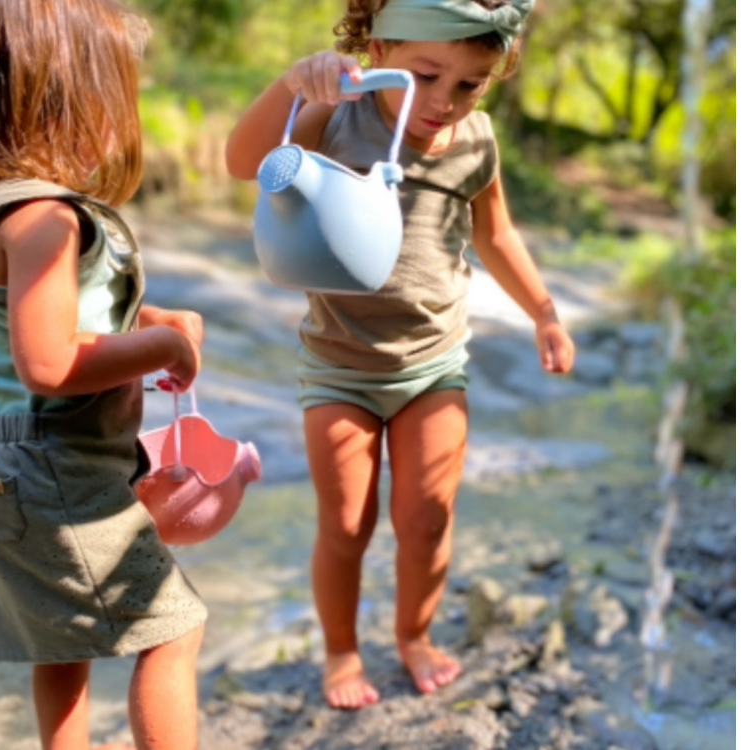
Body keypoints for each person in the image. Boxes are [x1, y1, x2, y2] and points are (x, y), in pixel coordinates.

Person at [225, 0, 575, 711]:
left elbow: (497, 237)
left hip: (434, 365)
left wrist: (544, 313)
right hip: (339, 367)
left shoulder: (476, 142)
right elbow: (241, 161)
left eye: (470, 84)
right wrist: (294, 86)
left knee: (427, 517)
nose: (445, 101)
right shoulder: (336, 116)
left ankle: (413, 636)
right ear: (381, 48)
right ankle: (341, 650)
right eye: (427, 74)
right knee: (347, 524)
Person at [0, 1, 208, 747]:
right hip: (53, 469)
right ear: (69, 102)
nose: (123, 121)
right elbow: (47, 362)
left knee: (63, 639)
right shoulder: (48, 218)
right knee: (173, 630)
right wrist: (165, 354)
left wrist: (146, 324)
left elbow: (30, 326)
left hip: (4, 463)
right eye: (118, 99)